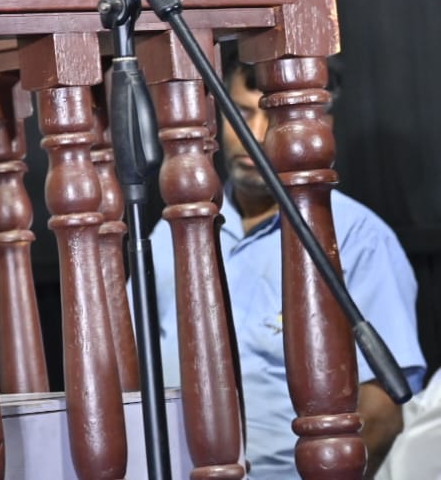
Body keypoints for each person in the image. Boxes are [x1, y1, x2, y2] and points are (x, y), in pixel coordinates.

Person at [148, 49, 426, 479]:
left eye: (268, 118)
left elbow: (384, 408)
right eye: (239, 114)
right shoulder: (171, 234)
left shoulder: (357, 239)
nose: (251, 135)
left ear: (317, 126)